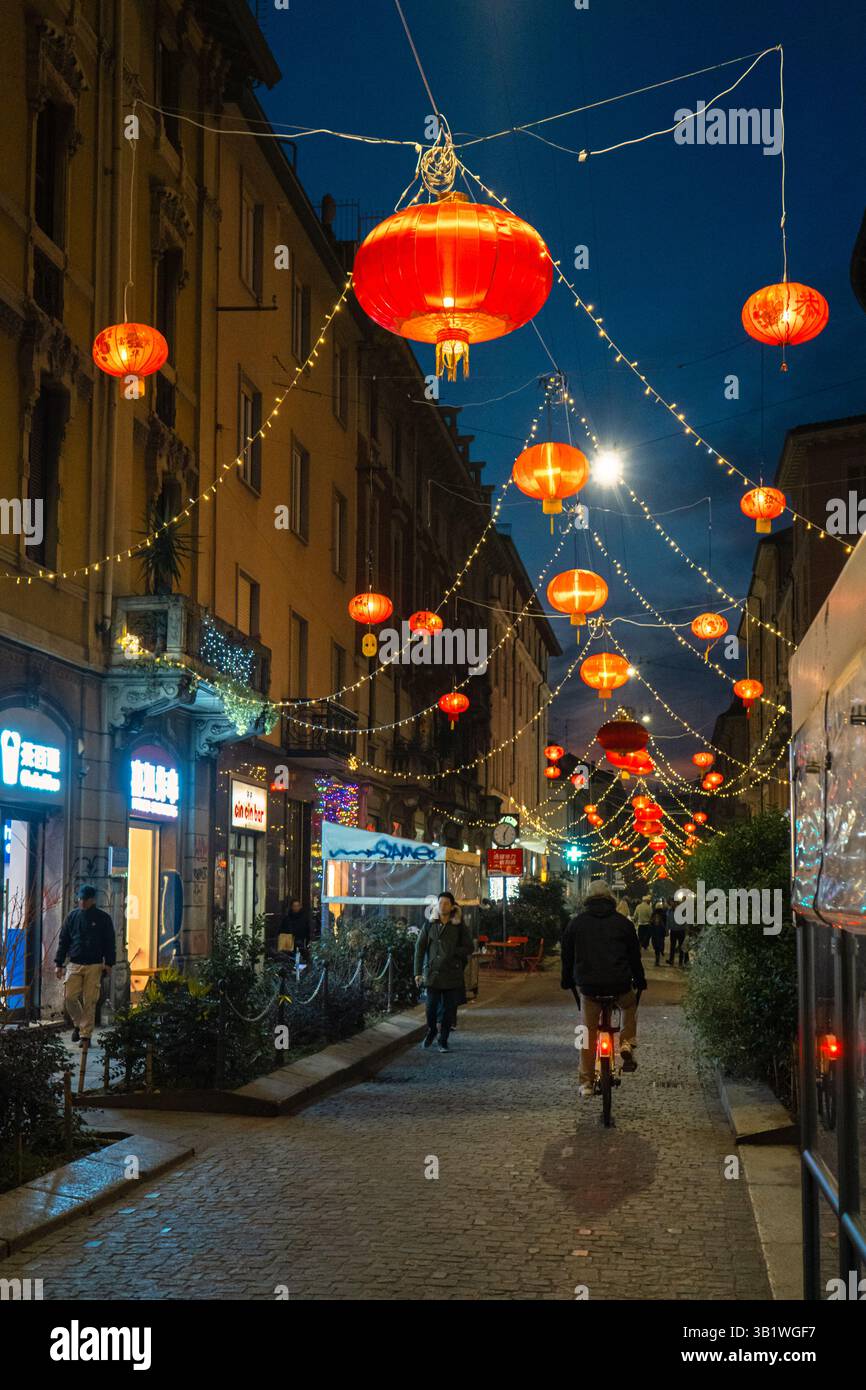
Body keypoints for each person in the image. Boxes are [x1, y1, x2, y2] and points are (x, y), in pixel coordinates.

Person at [560, 880, 647, 1098]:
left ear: (588, 899)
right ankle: (626, 1043)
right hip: (619, 984)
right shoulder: (623, 924)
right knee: (628, 1006)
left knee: (587, 1033)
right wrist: (640, 980)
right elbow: (634, 957)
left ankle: (587, 1082)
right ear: (611, 899)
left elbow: (567, 956)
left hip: (589, 987)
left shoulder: (576, 924)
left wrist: (567, 980)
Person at [54, 886, 116, 1046]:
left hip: (95, 964)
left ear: (92, 900)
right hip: (74, 963)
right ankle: (79, 1024)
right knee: (69, 997)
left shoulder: (103, 918)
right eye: (80, 899)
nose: (82, 902)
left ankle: (85, 1036)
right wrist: (58, 963)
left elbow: (110, 942)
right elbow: (64, 940)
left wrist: (109, 963)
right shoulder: (72, 917)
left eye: (85, 899)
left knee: (90, 1000)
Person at [414, 892, 473, 1054]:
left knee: (448, 1009)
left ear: (452, 906)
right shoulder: (430, 924)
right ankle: (432, 1030)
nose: (442, 906)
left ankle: (443, 1040)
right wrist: (417, 972)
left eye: (446, 903)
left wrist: (453, 952)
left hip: (451, 973)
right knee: (430, 1008)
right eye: (440, 903)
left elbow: (469, 947)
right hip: (433, 973)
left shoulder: (458, 926)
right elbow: (420, 948)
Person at [650, 899, 668, 966]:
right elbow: (666, 923)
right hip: (661, 931)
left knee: (655, 945)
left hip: (654, 931)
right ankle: (661, 950)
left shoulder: (653, 913)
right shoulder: (664, 914)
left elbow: (651, 922)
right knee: (661, 942)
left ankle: (657, 959)